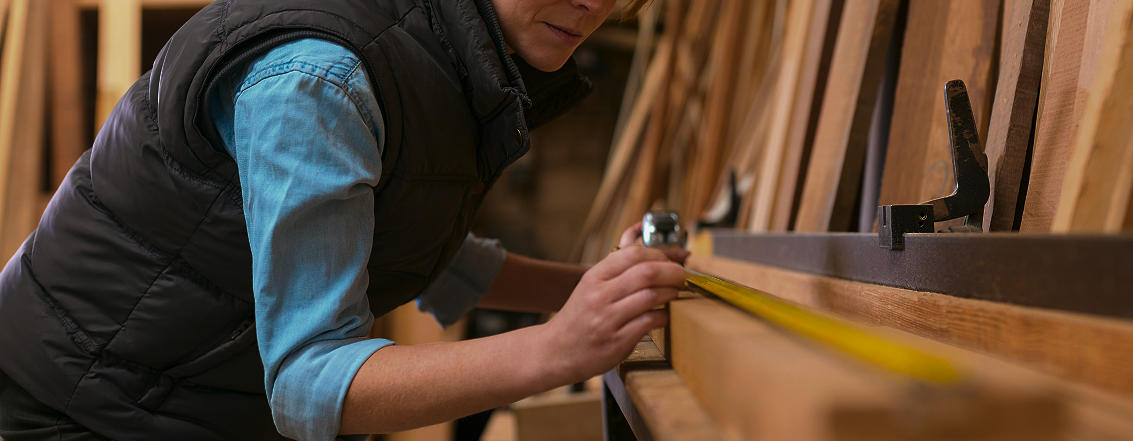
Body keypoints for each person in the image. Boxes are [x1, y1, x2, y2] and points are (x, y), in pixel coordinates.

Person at [0, 0, 687, 439]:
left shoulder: (440, 48)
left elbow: (414, 245)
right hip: (77, 407)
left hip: (187, 396)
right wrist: (557, 348)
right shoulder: (321, 80)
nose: (599, 4)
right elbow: (307, 384)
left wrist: (602, 290)